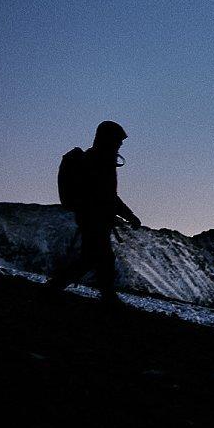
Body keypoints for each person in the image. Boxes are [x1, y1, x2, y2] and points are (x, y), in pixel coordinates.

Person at [47, 120, 141, 307]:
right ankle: (106, 296)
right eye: (118, 141)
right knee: (101, 257)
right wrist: (129, 215)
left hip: (93, 216)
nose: (120, 145)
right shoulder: (99, 162)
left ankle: (58, 285)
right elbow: (108, 195)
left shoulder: (98, 159)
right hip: (94, 217)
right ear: (109, 139)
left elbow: (109, 196)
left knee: (92, 257)